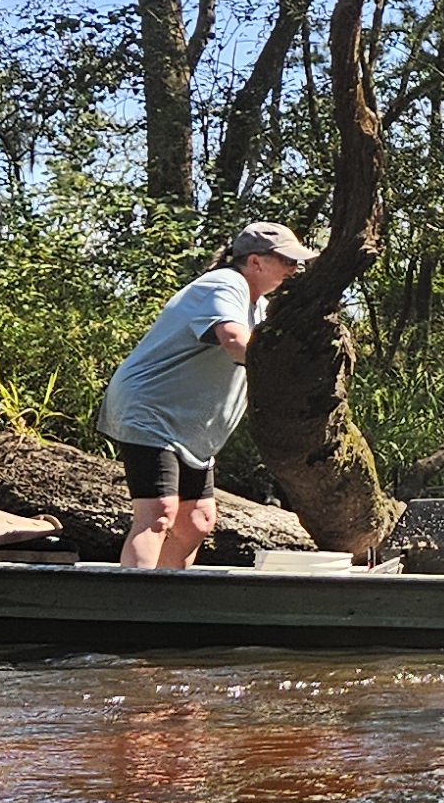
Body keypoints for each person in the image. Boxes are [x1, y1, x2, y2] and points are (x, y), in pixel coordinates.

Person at [96, 222, 316, 569]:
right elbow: (234, 342)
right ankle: (134, 612)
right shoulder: (225, 284)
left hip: (189, 431)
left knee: (197, 521)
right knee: (158, 513)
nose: (295, 268)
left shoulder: (258, 307)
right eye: (287, 260)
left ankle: (169, 610)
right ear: (255, 262)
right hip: (153, 412)